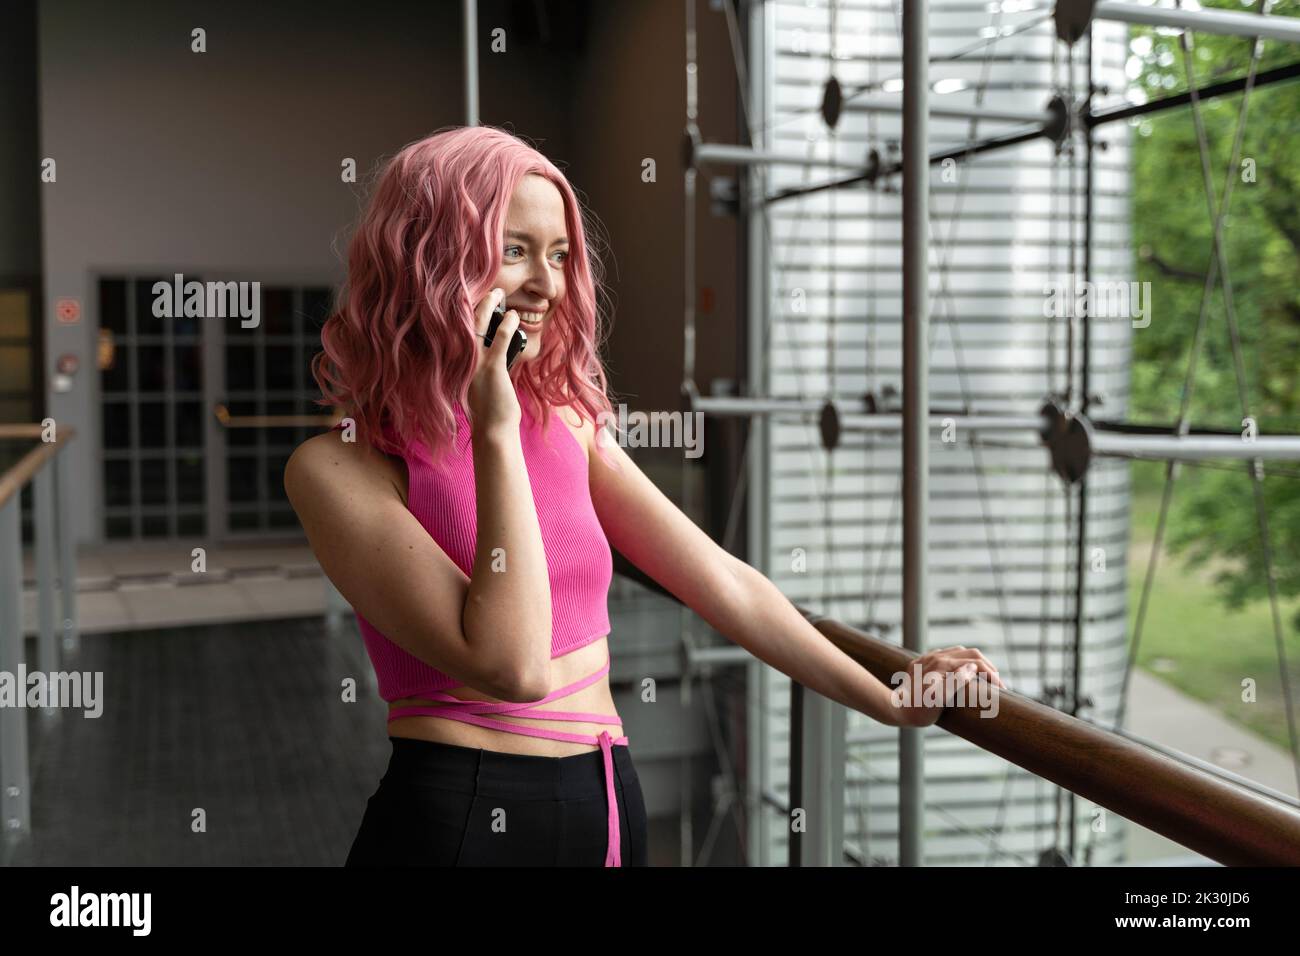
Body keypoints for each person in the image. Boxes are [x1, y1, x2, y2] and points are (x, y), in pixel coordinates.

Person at [284, 124, 1005, 867]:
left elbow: (721, 579)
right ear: (430, 260)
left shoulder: (566, 422)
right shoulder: (339, 468)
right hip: (462, 812)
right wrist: (494, 433)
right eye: (516, 250)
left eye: (560, 255)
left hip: (605, 797)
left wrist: (887, 697)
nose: (549, 284)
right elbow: (514, 666)